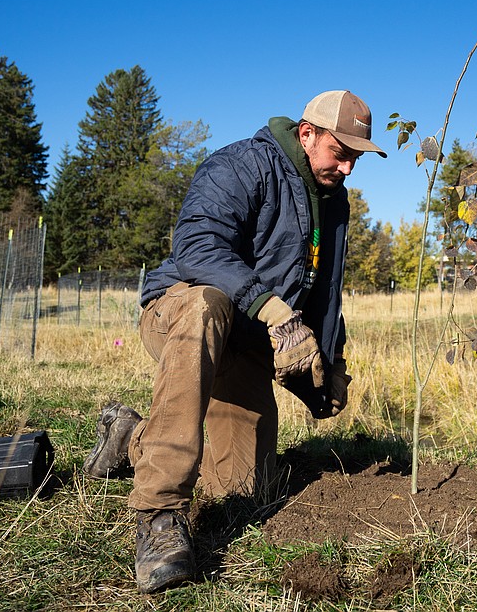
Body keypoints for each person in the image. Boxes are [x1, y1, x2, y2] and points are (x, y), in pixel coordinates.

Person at [82, 89, 386, 593]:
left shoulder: (334, 200)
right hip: (182, 315)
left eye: (356, 157)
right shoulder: (242, 164)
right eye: (342, 152)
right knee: (209, 303)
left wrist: (331, 362)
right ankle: (159, 515)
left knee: (243, 489)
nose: (350, 167)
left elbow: (326, 288)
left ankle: (129, 437)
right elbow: (197, 247)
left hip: (246, 341)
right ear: (307, 134)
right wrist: (276, 312)